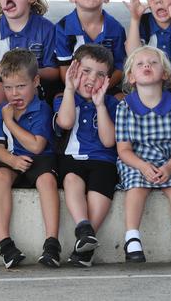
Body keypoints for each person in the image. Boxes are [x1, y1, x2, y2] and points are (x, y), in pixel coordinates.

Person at [116, 46, 171, 263]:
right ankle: (132, 238)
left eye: (153, 63)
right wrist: (143, 166)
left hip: (170, 160)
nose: (147, 65)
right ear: (131, 76)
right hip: (136, 161)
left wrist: (169, 167)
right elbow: (123, 149)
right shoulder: (125, 107)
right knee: (136, 188)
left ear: (164, 74)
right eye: (140, 63)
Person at [0, 49, 61, 268]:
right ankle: (4, 243)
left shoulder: (41, 108)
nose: (14, 93)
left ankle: (52, 243)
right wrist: (12, 161)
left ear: (35, 81)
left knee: (47, 181)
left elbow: (36, 145)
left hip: (39, 158)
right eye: (8, 87)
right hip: (9, 158)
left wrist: (11, 123)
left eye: (21, 86)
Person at [54, 44, 120, 267]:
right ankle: (84, 228)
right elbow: (65, 122)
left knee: (101, 184)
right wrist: (70, 90)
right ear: (73, 70)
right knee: (72, 179)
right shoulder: (63, 97)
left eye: (100, 74)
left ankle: (85, 243)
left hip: (103, 160)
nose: (92, 79)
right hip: (72, 159)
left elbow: (108, 141)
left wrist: (100, 106)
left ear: (108, 80)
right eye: (86, 71)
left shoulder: (111, 103)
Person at [55, 0, 126, 95]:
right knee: (59, 100)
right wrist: (82, 90)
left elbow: (119, 68)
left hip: (105, 87)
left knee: (122, 100)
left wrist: (100, 87)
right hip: (75, 88)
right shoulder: (63, 28)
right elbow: (64, 68)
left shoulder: (116, 29)